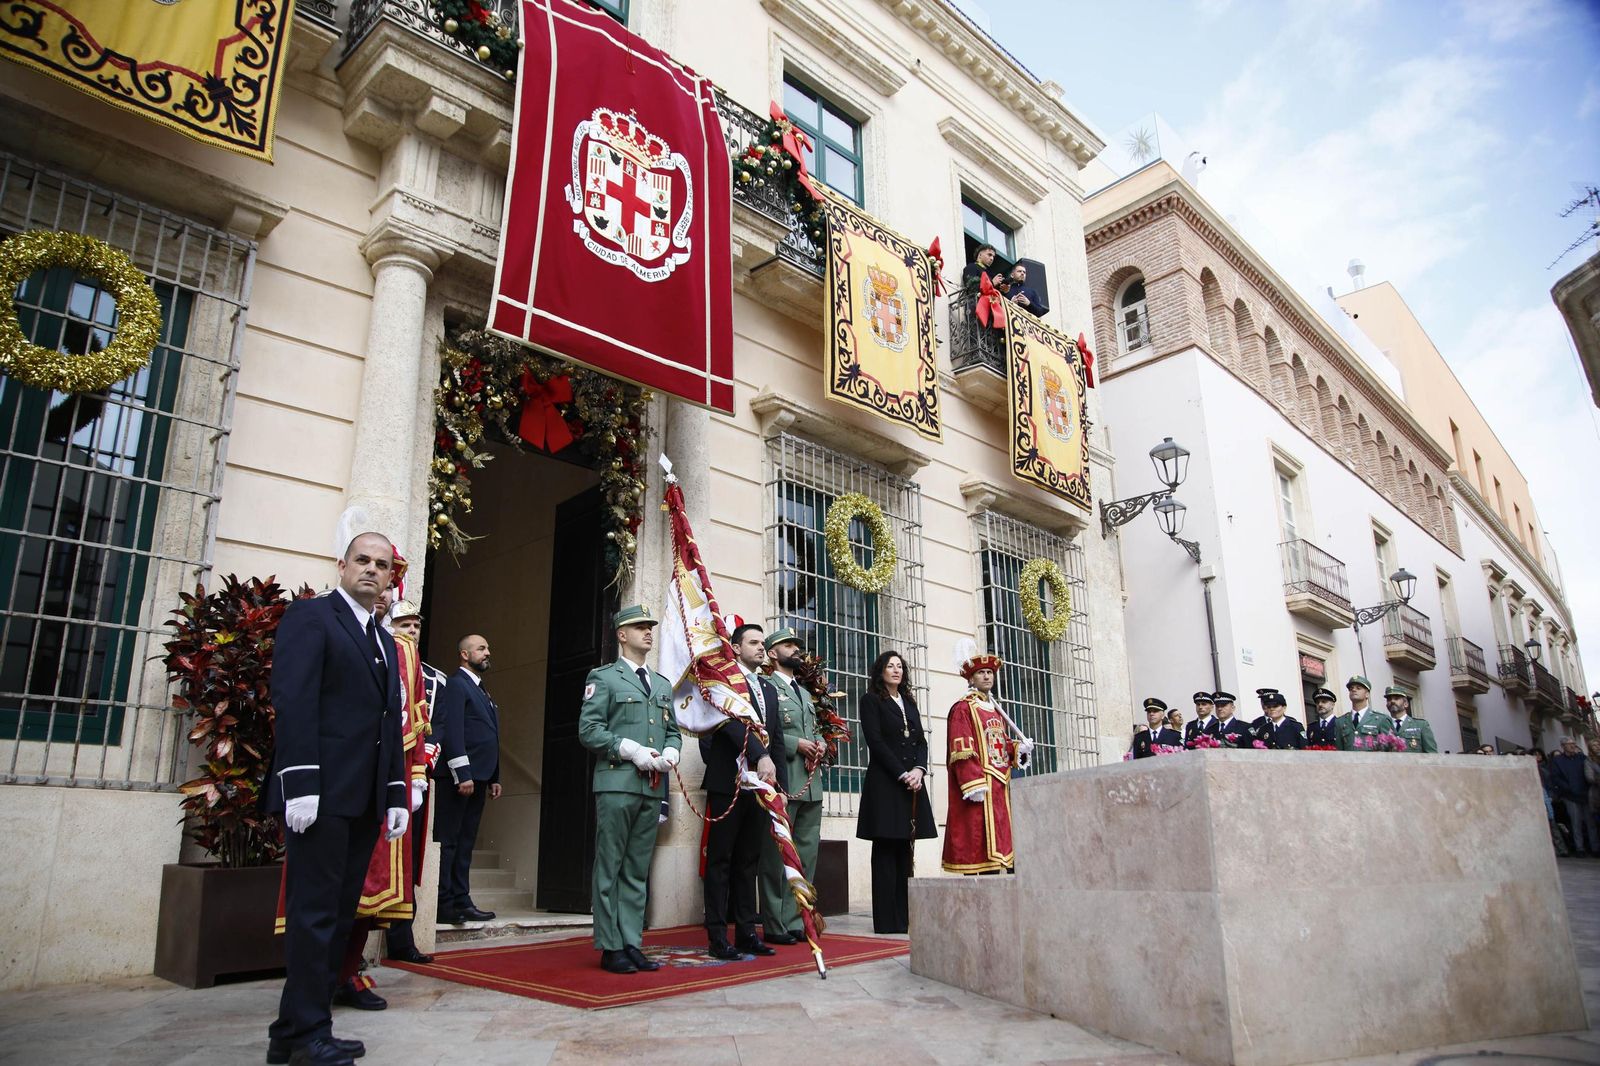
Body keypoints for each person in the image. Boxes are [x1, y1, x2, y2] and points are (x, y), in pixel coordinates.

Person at [266, 532, 407, 1066]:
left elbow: (386, 723)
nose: (372, 570)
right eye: (362, 561)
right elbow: (294, 700)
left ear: (391, 577)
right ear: (342, 566)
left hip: (363, 800)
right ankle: (306, 1034)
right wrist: (299, 782)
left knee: (339, 915)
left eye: (382, 565)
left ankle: (295, 1031)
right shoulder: (313, 617)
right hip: (320, 796)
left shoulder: (384, 639)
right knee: (314, 916)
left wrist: (393, 791)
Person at [577, 604, 681, 973]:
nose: (648, 632)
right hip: (618, 782)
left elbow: (672, 729)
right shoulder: (604, 677)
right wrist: (630, 749)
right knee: (610, 864)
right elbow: (588, 729)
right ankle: (610, 945)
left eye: (650, 627)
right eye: (639, 627)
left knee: (637, 868)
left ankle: (632, 941)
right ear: (622, 635)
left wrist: (671, 751)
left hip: (651, 787)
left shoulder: (663, 684)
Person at [702, 622, 785, 959]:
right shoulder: (724, 683)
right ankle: (718, 936)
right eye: (753, 642)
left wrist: (779, 783)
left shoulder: (767, 688)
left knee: (749, 860)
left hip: (761, 786)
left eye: (762, 643)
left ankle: (747, 932)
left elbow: (775, 737)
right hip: (729, 782)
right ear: (735, 648)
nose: (760, 648)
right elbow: (730, 726)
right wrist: (759, 755)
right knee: (721, 860)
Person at [855, 649, 936, 934]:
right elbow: (875, 741)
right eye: (890, 666)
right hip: (886, 783)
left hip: (911, 783)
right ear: (881, 671)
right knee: (886, 849)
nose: (896, 670)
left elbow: (921, 742)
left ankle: (905, 917)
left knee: (906, 848)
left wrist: (919, 770)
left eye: (900, 666)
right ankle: (888, 921)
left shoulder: (909, 702)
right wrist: (902, 773)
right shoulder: (871, 701)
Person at [381, 600, 438, 967]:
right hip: (386, 771)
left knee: (409, 862)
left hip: (416, 773)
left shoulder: (432, 676)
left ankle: (404, 941)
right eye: (403, 624)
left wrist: (423, 765)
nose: (411, 631)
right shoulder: (383, 658)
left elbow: (437, 721)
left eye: (415, 625)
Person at [758, 627, 823, 946]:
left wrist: (821, 743)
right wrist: (796, 744)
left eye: (797, 645)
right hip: (784, 781)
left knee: (807, 854)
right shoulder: (766, 687)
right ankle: (774, 921)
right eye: (787, 645)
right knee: (776, 853)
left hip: (811, 785)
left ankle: (796, 918)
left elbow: (815, 728)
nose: (795, 649)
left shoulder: (806, 692)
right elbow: (763, 733)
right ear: (772, 653)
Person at [942, 645, 1031, 875]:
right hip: (981, 787)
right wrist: (974, 784)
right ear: (971, 678)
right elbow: (962, 747)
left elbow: (997, 744)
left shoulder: (993, 709)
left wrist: (1018, 748)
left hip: (1000, 786)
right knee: (979, 848)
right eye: (981, 672)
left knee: (1005, 849)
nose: (987, 676)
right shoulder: (963, 708)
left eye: (990, 672)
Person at [432, 634, 501, 925]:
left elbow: (491, 736)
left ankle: (462, 899)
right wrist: (463, 774)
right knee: (449, 841)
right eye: (481, 648)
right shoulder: (456, 684)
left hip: (480, 778)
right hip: (459, 778)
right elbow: (453, 731)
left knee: (465, 842)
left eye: (487, 647)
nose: (488, 652)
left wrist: (495, 776)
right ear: (464, 654)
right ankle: (444, 902)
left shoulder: (481, 690)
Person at [1549, 737, 1595, 856]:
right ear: (1563, 746)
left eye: (1574, 743)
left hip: (1585, 795)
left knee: (1591, 823)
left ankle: (1595, 848)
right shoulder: (1557, 761)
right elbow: (1556, 777)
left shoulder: (1582, 758)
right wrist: (1568, 788)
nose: (1573, 746)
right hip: (1570, 796)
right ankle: (1580, 848)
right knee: (1576, 823)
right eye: (1569, 744)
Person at [1383, 685, 1437, 752]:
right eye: (1389, 699)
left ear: (1406, 703)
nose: (1392, 701)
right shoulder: (1383, 725)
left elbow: (1431, 754)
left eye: (1396, 698)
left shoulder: (1421, 725)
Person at [1344, 675, 1389, 747]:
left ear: (1367, 694)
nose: (1353, 690)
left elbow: (1387, 748)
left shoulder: (1381, 719)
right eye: (1351, 688)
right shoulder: (1341, 721)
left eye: (1358, 688)